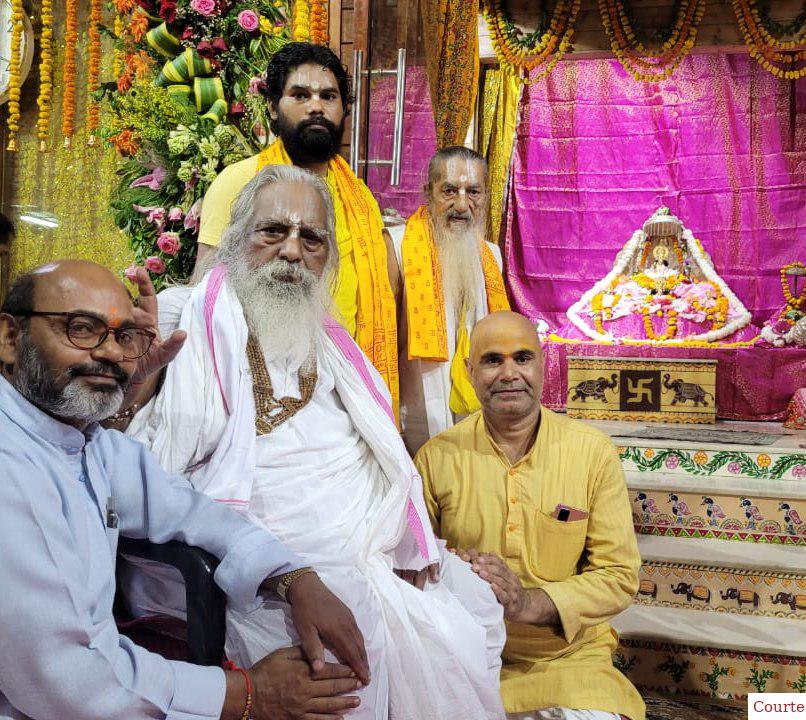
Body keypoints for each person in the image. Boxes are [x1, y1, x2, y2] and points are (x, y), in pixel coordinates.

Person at [123, 164, 506, 720]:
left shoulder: (329, 339)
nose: (292, 251)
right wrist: (137, 380)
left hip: (362, 529)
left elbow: (381, 449)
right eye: (272, 231)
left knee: (474, 605)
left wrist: (405, 529)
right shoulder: (183, 316)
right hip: (253, 536)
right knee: (350, 631)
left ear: (328, 257)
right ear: (236, 240)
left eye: (311, 238)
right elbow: (117, 446)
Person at [0, 259, 368, 720]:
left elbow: (193, 512)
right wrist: (249, 695)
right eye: (82, 329)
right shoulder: (11, 469)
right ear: (10, 338)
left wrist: (295, 576)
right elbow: (66, 681)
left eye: (123, 336)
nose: (112, 353)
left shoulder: (86, 442)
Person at [415, 311, 645, 720]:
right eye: (492, 360)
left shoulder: (591, 452)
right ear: (469, 371)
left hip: (570, 661)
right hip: (467, 657)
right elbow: (413, 569)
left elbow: (618, 576)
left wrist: (527, 604)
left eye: (522, 358)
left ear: (543, 364)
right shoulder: (437, 458)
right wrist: (453, 572)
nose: (508, 373)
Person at [194, 42, 400, 411]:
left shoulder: (360, 200)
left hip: (345, 390)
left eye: (328, 95)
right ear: (273, 106)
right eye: (300, 95)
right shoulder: (239, 181)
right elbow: (204, 293)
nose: (316, 106)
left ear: (343, 108)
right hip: (254, 388)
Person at [392, 146, 510, 454]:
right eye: (449, 191)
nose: (461, 204)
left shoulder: (491, 256)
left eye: (473, 191)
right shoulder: (397, 247)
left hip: (474, 419)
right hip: (414, 425)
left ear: (485, 196)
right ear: (428, 193)